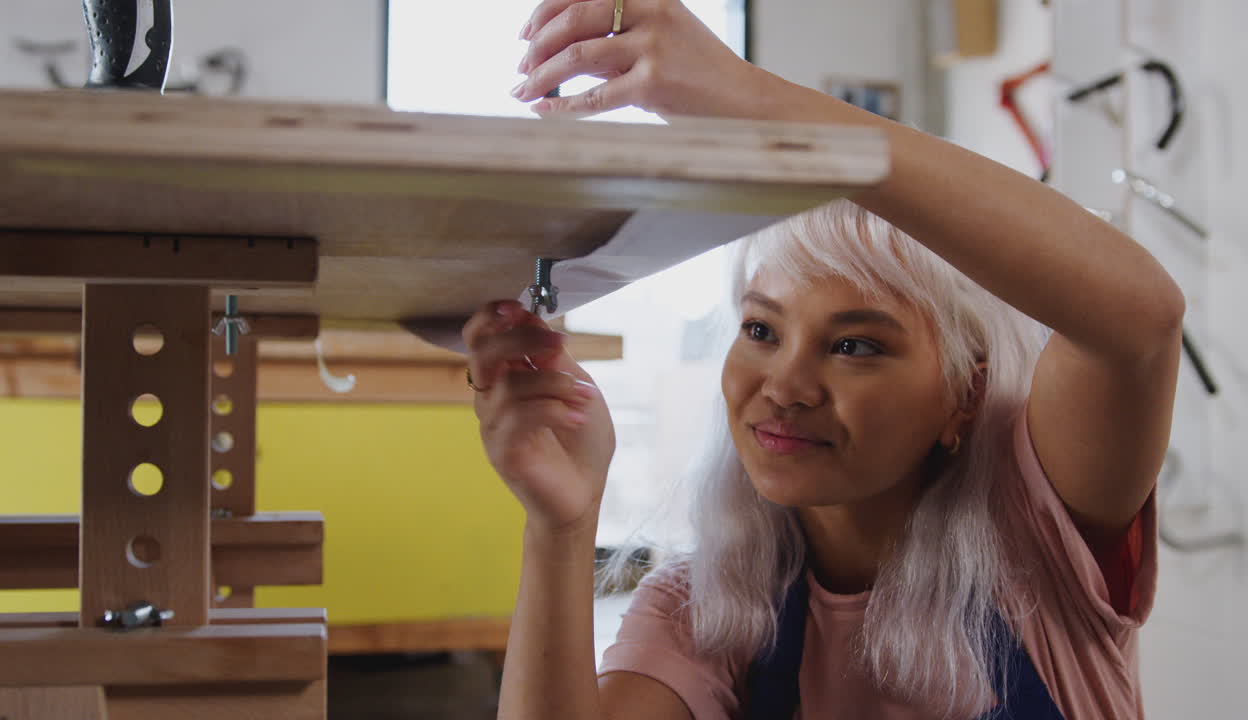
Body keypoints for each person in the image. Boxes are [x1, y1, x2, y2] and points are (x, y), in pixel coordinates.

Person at [463, 1, 1182, 718]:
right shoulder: (707, 610)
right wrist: (561, 529)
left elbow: (1139, 319)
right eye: (762, 331)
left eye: (854, 346)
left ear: (965, 393)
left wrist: (755, 100)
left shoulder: (1041, 541)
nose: (786, 386)